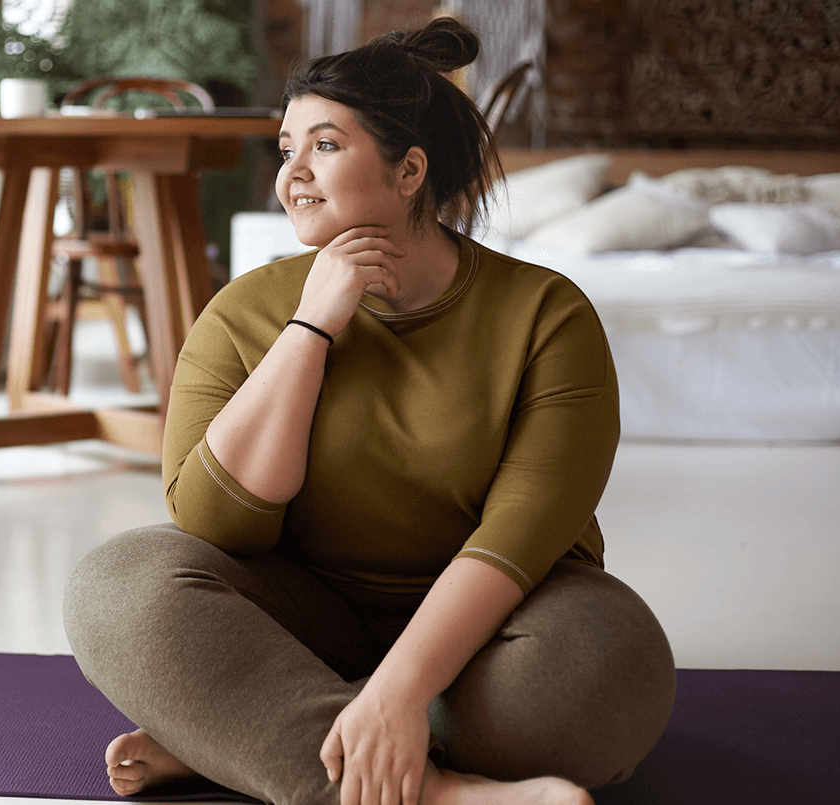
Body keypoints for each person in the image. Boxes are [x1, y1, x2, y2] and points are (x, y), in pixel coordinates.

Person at [64, 16, 675, 805]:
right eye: (285, 150)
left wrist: (398, 691)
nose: (292, 174)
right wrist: (310, 327)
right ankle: (437, 793)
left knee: (604, 668)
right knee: (117, 585)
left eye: (323, 145)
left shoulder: (546, 316)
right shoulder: (243, 313)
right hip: (304, 613)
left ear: (409, 169)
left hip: (496, 626)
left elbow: (518, 541)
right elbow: (217, 524)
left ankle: (254, 735)